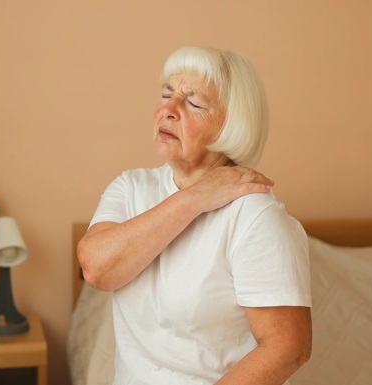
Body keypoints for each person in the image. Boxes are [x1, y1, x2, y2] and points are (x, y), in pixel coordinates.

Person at [78, 46, 311, 385]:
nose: (168, 110)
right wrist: (195, 198)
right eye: (166, 94)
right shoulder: (130, 188)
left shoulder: (255, 215)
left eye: (193, 102)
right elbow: (97, 270)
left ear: (232, 124)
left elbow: (288, 348)